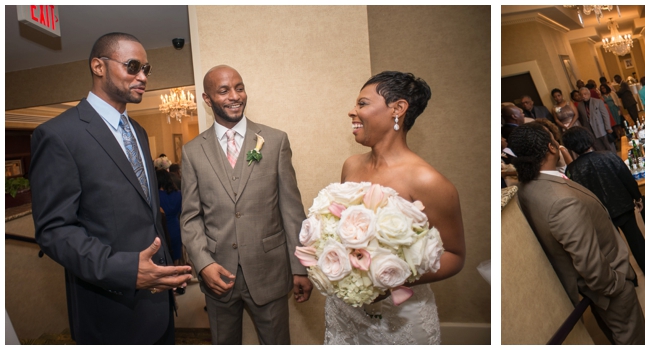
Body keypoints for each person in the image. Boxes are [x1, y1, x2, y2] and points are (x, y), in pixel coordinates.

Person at [30, 32, 192, 344]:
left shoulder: (139, 132)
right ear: (98, 66)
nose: (142, 76)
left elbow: (147, 214)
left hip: (158, 304)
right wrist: (127, 270)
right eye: (133, 67)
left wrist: (167, 266)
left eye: (147, 69)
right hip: (111, 313)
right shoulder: (59, 135)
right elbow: (55, 230)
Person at [329, 71, 465, 344]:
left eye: (362, 104)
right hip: (345, 310)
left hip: (399, 313)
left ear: (398, 109)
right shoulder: (351, 165)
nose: (352, 112)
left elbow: (454, 255)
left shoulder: (428, 181)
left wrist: (387, 280)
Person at [180, 65, 312, 345]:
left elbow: (291, 210)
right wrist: (203, 264)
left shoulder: (275, 141)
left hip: (270, 271)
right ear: (207, 99)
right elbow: (191, 218)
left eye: (239, 88)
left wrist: (300, 266)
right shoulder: (192, 152)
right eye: (224, 90)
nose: (235, 96)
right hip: (218, 275)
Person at [509, 123, 645, 345]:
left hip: (585, 286)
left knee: (616, 332)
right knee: (630, 335)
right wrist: (618, 284)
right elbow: (590, 264)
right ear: (551, 148)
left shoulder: (526, 188)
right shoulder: (561, 201)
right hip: (607, 286)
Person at [563, 126, 645, 279]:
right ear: (590, 138)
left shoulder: (571, 170)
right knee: (636, 239)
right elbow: (627, 179)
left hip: (599, 214)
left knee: (614, 247)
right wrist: (637, 198)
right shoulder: (608, 156)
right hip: (623, 205)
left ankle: (628, 278)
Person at [156, 170, 183, 266]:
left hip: (162, 228)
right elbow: (182, 212)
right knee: (176, 255)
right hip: (175, 226)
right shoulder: (178, 194)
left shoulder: (156, 196)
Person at [578, 88, 614, 152]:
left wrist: (608, 127)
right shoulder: (580, 105)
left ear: (589, 94)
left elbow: (605, 115)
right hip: (591, 131)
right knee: (599, 149)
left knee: (609, 147)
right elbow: (584, 120)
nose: (583, 96)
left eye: (585, 94)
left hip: (602, 128)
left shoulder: (597, 102)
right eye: (581, 95)